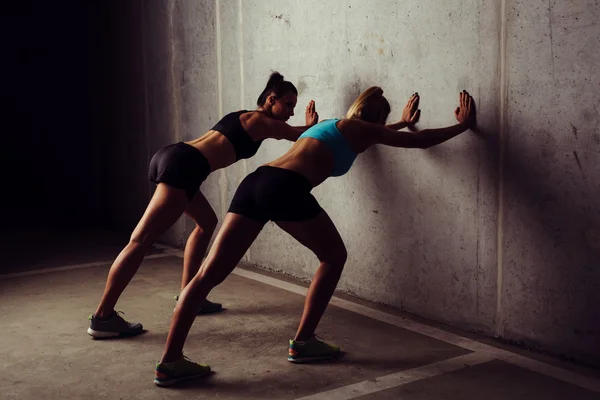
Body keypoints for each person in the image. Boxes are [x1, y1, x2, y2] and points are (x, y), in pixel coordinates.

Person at [153, 88, 476, 386]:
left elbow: (377, 135)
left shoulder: (333, 126)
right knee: (333, 257)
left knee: (207, 275)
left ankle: (169, 362)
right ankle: (304, 342)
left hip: (256, 182)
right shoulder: (361, 129)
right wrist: (463, 126)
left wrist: (403, 122)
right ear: (376, 118)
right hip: (286, 187)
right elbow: (421, 141)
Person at [87, 72, 320, 338]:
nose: (291, 112)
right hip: (185, 165)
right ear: (271, 99)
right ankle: (102, 317)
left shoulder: (242, 115)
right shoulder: (263, 122)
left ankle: (191, 297)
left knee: (206, 222)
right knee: (140, 241)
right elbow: (298, 136)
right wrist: (311, 124)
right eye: (288, 104)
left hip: (174, 156)